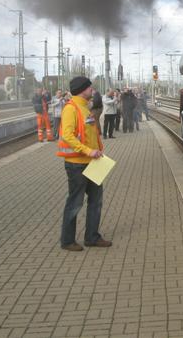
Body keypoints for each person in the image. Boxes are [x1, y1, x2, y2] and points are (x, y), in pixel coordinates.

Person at [57, 76, 112, 251]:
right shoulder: (71, 109)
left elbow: (90, 134)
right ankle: (67, 241)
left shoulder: (84, 107)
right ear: (83, 89)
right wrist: (89, 151)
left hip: (93, 162)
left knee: (96, 201)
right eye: (90, 88)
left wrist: (98, 151)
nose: (93, 91)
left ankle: (92, 237)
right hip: (77, 164)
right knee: (75, 203)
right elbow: (68, 135)